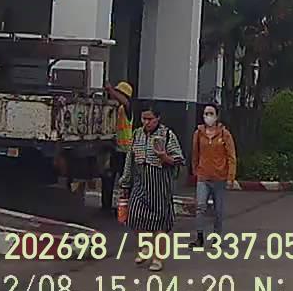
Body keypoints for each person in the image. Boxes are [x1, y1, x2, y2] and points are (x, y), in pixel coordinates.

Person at [119, 104, 184, 272]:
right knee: (135, 217)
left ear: (158, 118)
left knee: (159, 224)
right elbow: (130, 160)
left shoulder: (167, 135)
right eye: (144, 119)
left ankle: (158, 258)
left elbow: (178, 159)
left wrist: (164, 157)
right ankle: (146, 247)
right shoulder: (137, 134)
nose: (146, 122)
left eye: (150, 119)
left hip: (160, 184)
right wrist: (125, 182)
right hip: (140, 182)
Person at [192, 104, 237, 247]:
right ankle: (199, 237)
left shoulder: (224, 134)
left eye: (211, 113)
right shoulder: (198, 133)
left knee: (218, 210)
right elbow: (195, 154)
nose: (208, 116)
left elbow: (231, 156)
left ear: (216, 116)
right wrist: (196, 171)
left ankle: (216, 237)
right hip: (203, 176)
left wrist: (230, 177)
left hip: (220, 178)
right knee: (200, 207)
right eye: (206, 113)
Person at [100, 81, 136, 215]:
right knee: (108, 178)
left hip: (125, 151)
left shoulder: (126, 109)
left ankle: (127, 209)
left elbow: (125, 102)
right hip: (114, 149)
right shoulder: (114, 108)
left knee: (125, 182)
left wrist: (111, 90)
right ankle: (106, 207)